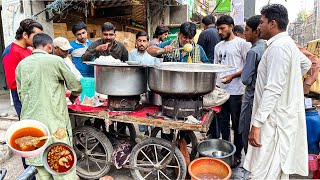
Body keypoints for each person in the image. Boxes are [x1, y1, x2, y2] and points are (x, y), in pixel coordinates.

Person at [243, 4, 311, 178]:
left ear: (272, 23)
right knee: (276, 170)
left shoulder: (279, 47)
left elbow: (273, 89)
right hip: (278, 116)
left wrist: (256, 124)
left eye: (262, 22)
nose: (259, 27)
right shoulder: (284, 44)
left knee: (263, 172)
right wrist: (290, 83)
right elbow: (306, 64)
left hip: (272, 121)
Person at [16, 33, 82, 180]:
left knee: (39, 167)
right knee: (61, 163)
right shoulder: (56, 61)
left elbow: (21, 95)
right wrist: (72, 97)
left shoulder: (22, 65)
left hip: (31, 125)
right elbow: (76, 86)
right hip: (54, 122)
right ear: (49, 46)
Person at [214, 15, 251, 167]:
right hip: (221, 92)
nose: (220, 32)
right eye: (218, 29)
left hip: (237, 92)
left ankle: (237, 155)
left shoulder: (242, 44)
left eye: (222, 28)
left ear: (231, 27)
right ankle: (226, 151)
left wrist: (233, 76)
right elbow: (216, 67)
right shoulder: (218, 46)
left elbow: (249, 67)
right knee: (223, 124)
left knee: (237, 126)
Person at [2, 19, 43, 119]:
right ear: (25, 35)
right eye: (36, 36)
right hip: (23, 99)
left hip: (34, 96)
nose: (39, 39)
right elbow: (13, 83)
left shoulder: (28, 50)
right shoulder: (11, 52)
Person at [238, 15, 265, 154]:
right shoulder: (267, 47)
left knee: (246, 131)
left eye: (247, 30)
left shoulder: (253, 51)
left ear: (256, 32)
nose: (244, 33)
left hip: (251, 97)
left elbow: (245, 79)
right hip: (262, 98)